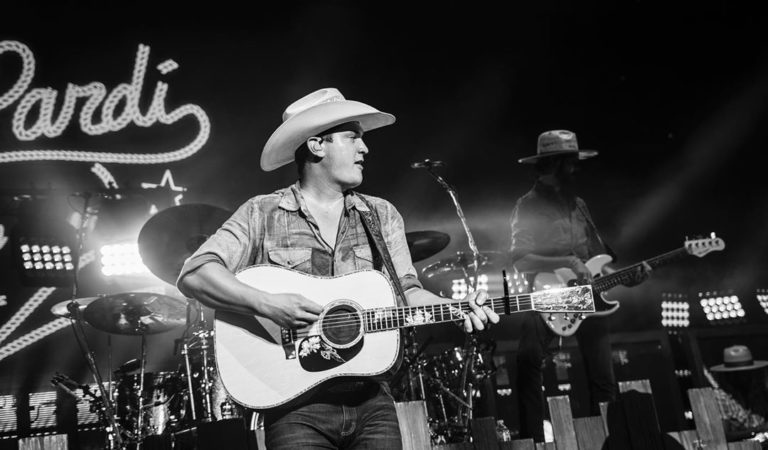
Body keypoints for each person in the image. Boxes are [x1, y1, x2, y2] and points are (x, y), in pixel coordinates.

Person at [176, 87, 499, 449]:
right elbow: (195, 274)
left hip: (372, 401)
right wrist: (267, 305)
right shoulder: (261, 212)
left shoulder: (381, 214)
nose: (365, 148)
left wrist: (451, 307)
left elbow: (407, 293)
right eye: (353, 138)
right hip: (295, 408)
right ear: (317, 145)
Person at [508, 129, 649, 442]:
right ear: (555, 164)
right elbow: (520, 259)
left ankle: (610, 440)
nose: (576, 169)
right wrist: (564, 262)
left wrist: (625, 276)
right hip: (547, 294)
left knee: (603, 377)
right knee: (529, 360)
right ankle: (532, 439)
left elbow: (591, 261)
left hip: (588, 297)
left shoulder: (579, 205)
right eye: (570, 163)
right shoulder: (528, 205)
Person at [705, 345, 768, 445]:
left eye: (750, 372)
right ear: (731, 375)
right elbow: (724, 434)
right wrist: (756, 430)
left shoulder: (757, 392)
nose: (748, 376)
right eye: (743, 373)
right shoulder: (721, 397)